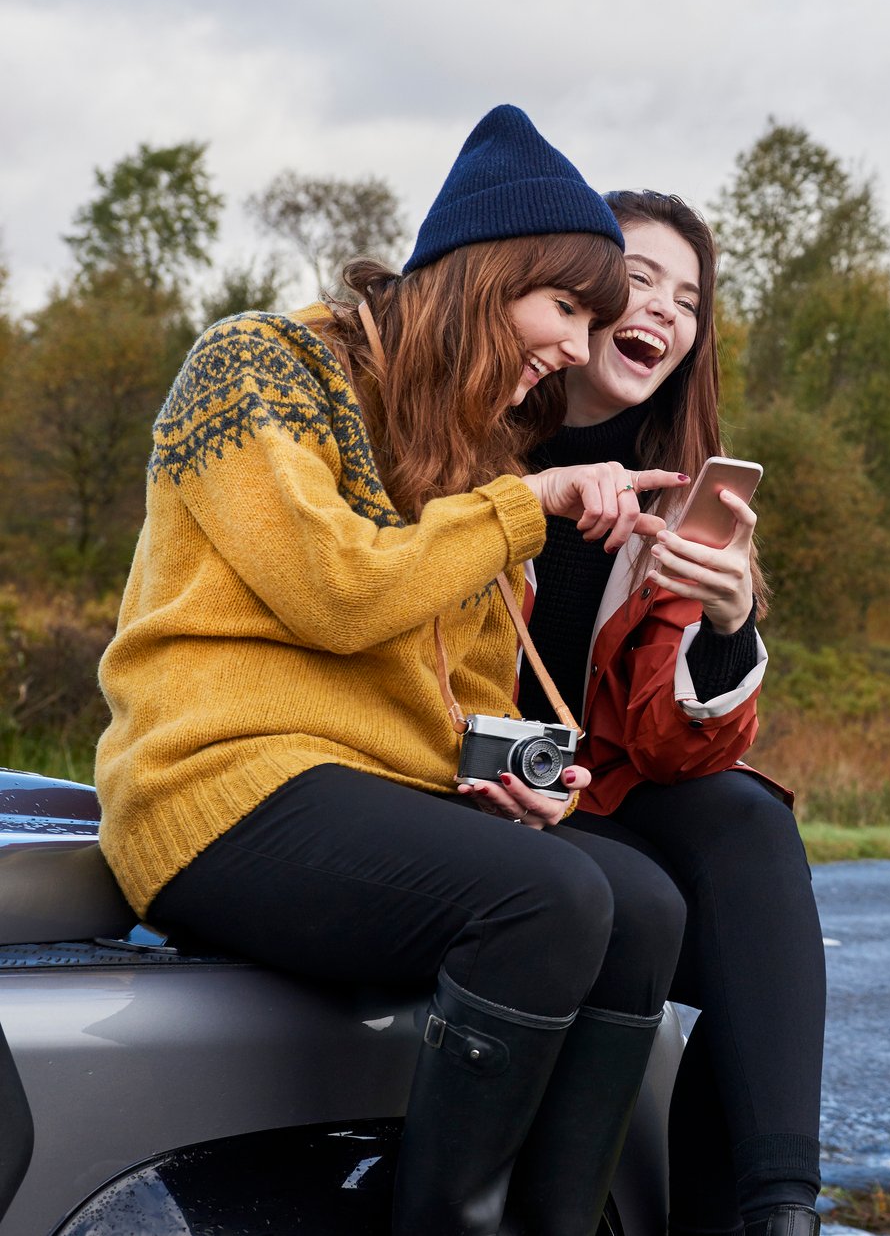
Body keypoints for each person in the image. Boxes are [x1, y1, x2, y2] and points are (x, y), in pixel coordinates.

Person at [96, 107, 692, 1236]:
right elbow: (337, 590)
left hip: (368, 797)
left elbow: (463, 688)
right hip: (214, 785)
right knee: (551, 898)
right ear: (483, 273)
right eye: (564, 306)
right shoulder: (257, 365)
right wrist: (534, 504)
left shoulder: (469, 452)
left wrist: (504, 777)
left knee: (643, 905)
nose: (573, 346)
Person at [506, 189, 825, 1236]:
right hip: (460, 775)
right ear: (571, 293)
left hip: (587, 785)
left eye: (688, 299)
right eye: (638, 279)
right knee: (677, 911)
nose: (662, 310)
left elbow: (675, 744)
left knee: (746, 817)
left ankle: (774, 1211)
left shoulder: (680, 491)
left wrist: (726, 624)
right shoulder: (470, 437)